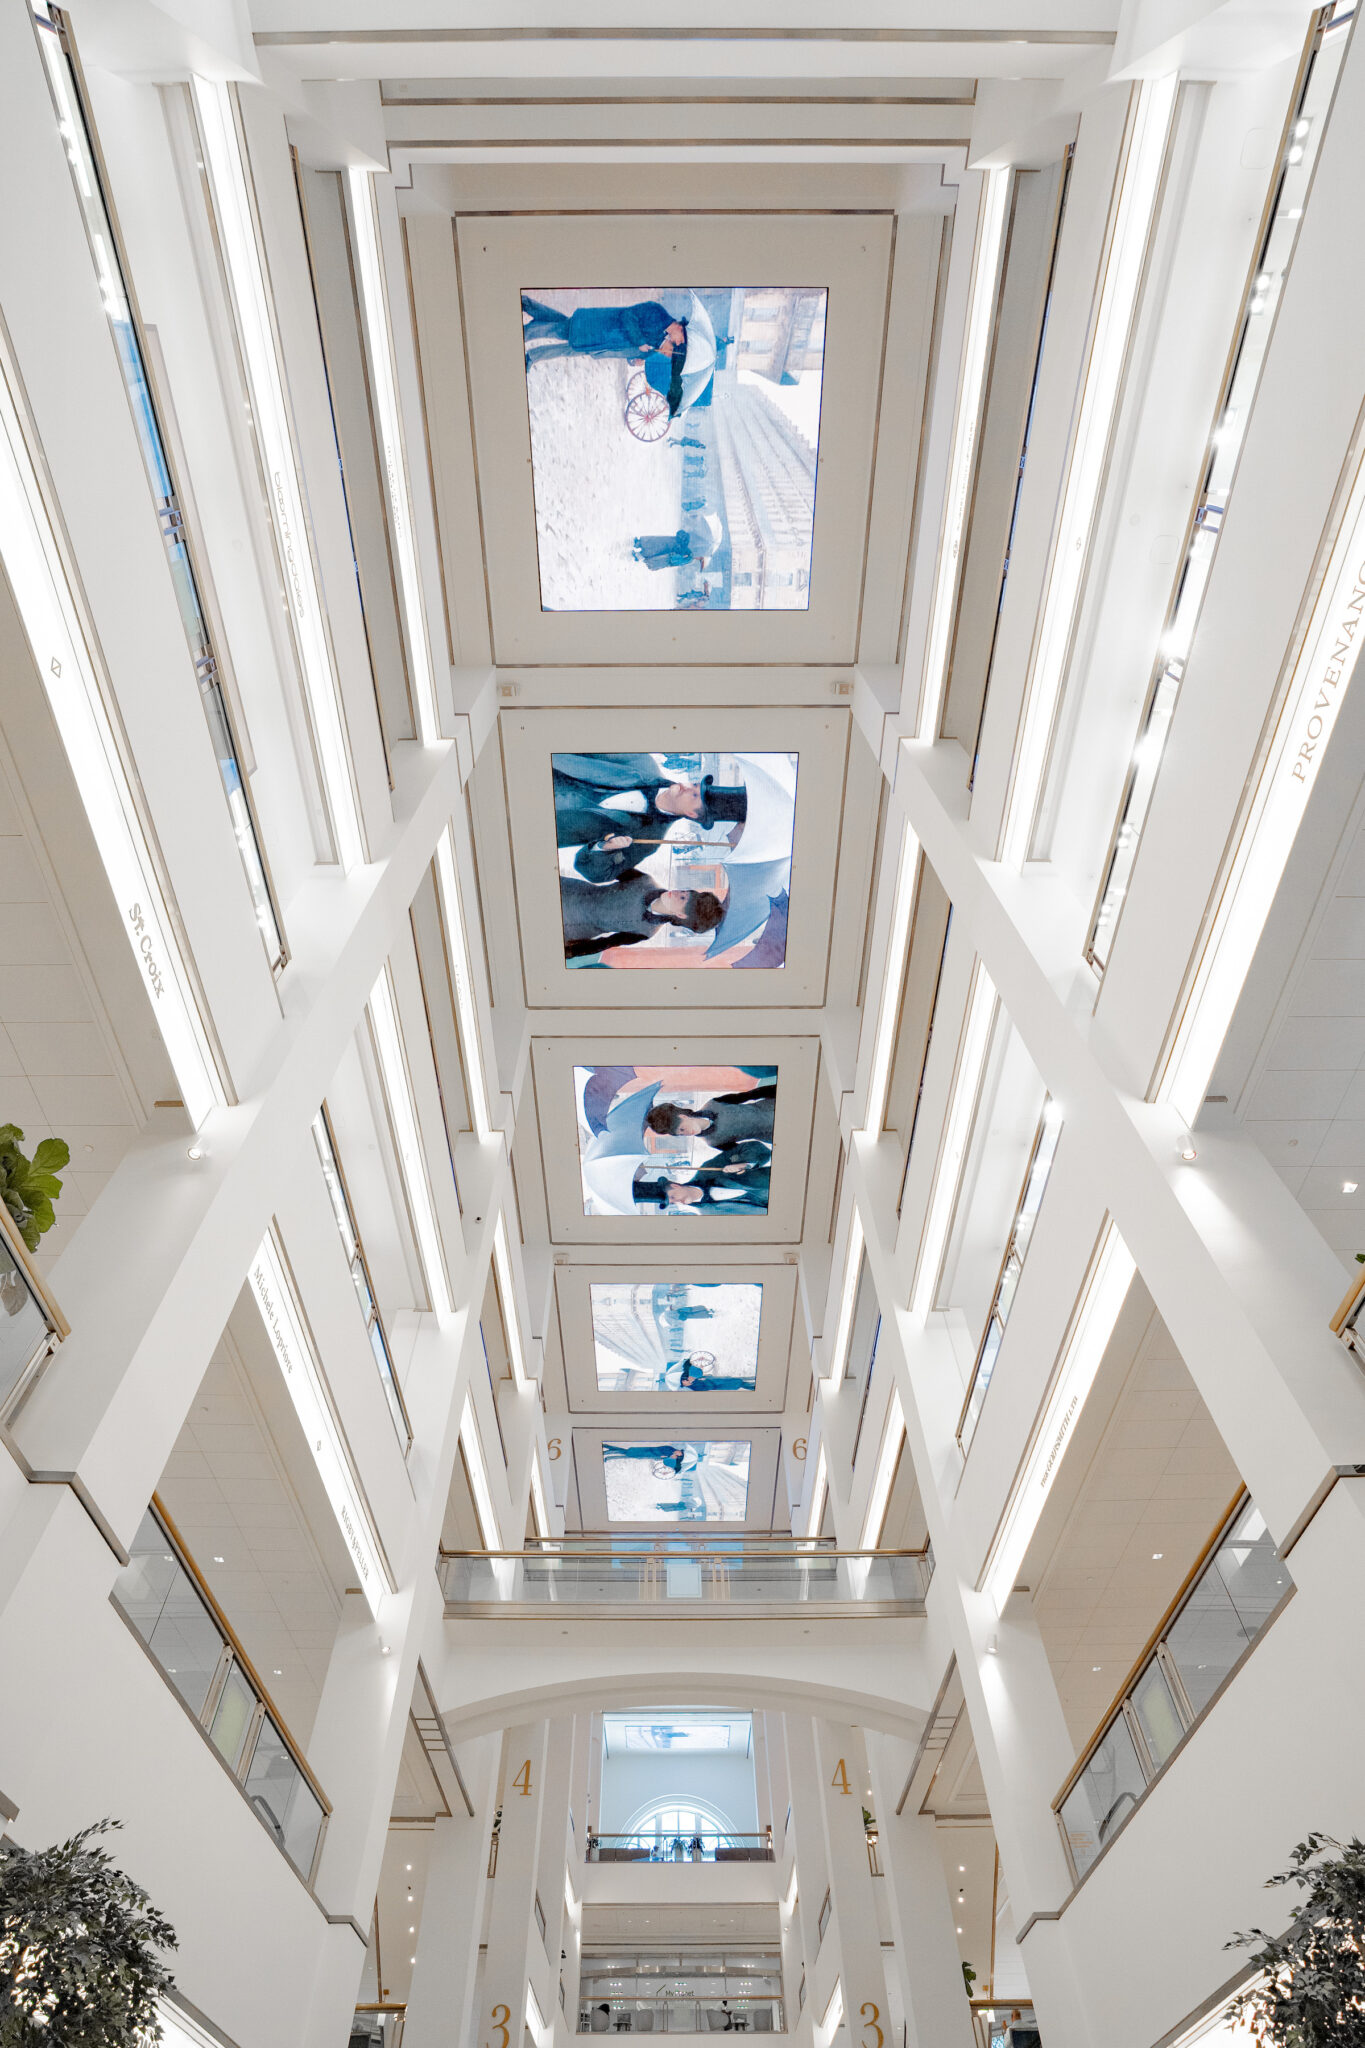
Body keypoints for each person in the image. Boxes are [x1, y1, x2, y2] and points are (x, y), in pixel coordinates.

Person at [552, 754, 747, 877]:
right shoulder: (641, 762)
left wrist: (603, 848)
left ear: (692, 814)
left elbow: (595, 872)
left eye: (694, 795)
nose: (687, 786)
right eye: (695, 785)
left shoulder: (649, 839)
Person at [560, 870, 723, 960]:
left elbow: (606, 943)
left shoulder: (646, 931)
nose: (678, 892)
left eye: (682, 898)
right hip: (567, 890)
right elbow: (605, 868)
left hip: (568, 930)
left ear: (681, 915)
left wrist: (570, 953)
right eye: (685, 892)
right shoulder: (644, 881)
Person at [646, 1085, 776, 1150]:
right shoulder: (713, 1142)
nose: (686, 1134)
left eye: (682, 1129)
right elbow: (746, 1150)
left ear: (683, 1116)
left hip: (774, 1107)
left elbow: (750, 1095)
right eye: (680, 1134)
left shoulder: (714, 1104)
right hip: (774, 1135)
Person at [633, 530, 706, 573]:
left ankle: (639, 554)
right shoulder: (698, 538)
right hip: (673, 542)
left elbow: (681, 554)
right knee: (656, 542)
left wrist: (681, 546)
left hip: (672, 546)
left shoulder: (691, 554)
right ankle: (640, 543)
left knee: (656, 549)